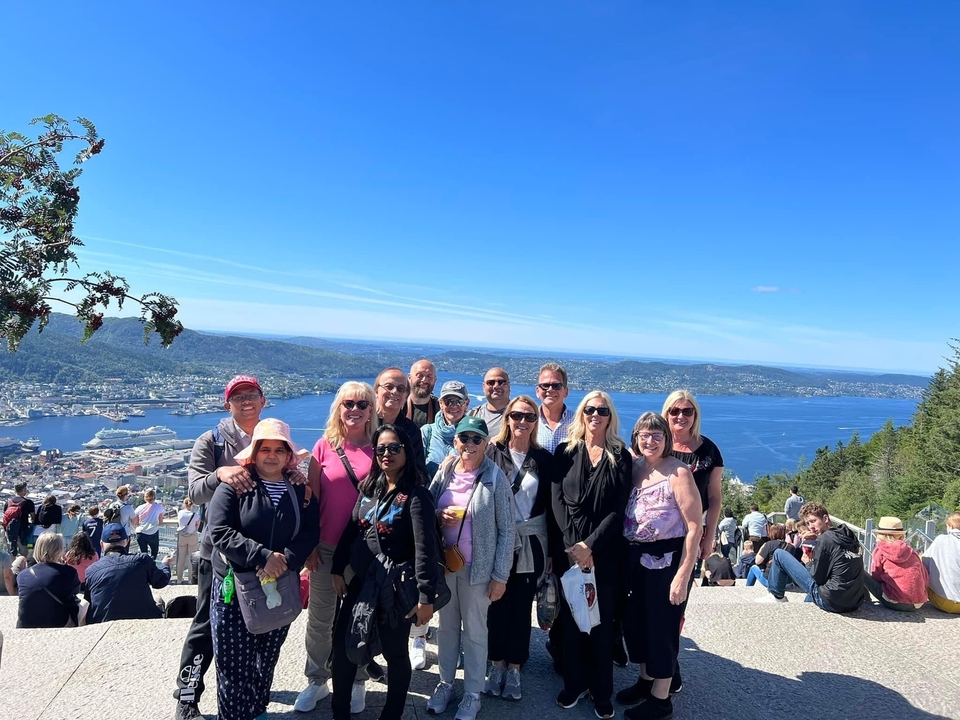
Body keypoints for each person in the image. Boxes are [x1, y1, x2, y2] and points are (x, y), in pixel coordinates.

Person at [207, 418, 319, 720]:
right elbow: (219, 531)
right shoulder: (235, 486)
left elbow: (310, 531)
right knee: (233, 664)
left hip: (280, 584)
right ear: (253, 453)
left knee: (266, 658)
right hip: (236, 587)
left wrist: (285, 560)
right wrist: (262, 556)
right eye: (264, 449)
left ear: (288, 456)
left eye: (279, 450)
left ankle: (257, 711)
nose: (271, 456)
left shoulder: (298, 489)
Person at [330, 424, 441, 720]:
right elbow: (351, 531)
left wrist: (426, 597)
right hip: (361, 584)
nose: (386, 454)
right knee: (343, 648)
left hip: (394, 589)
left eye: (394, 448)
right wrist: (338, 568)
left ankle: (391, 715)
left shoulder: (417, 496)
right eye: (380, 449)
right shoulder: (370, 488)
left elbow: (425, 549)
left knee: (394, 653)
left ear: (407, 451)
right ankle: (339, 712)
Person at [174, 374, 268, 720]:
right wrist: (220, 475)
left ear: (263, 400)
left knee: (260, 624)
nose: (246, 401)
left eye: (252, 395)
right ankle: (187, 694)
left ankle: (250, 692)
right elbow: (195, 491)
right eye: (238, 396)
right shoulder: (211, 441)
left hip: (261, 554)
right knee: (205, 626)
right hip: (218, 554)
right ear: (226, 404)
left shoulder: (270, 437)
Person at [297, 381, 378, 714]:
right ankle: (317, 679)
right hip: (327, 548)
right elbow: (311, 501)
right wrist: (309, 547)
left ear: (371, 410)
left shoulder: (381, 447)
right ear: (338, 408)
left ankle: (358, 679)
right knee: (320, 619)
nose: (355, 410)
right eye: (348, 404)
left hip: (366, 550)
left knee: (361, 618)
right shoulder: (324, 446)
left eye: (362, 404)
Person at [426, 417, 515, 720]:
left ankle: (473, 694)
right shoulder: (446, 470)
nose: (470, 444)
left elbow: (507, 530)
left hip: (478, 570)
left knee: (475, 632)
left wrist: (500, 576)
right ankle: (446, 683)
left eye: (477, 439)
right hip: (446, 567)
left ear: (486, 445)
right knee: (447, 629)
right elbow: (426, 509)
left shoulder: (495, 477)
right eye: (465, 438)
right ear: (456, 442)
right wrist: (439, 516)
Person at [552, 391, 632, 720]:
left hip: (605, 553)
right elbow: (556, 500)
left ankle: (601, 691)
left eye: (602, 410)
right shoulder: (564, 452)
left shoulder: (620, 456)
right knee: (571, 623)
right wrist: (575, 547)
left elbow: (619, 508)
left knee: (600, 624)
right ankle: (574, 683)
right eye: (589, 409)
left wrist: (591, 546)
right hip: (569, 552)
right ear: (581, 414)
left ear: (610, 416)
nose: (595, 415)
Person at [616, 412, 702, 720]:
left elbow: (695, 526)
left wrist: (683, 574)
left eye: (656, 435)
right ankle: (645, 680)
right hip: (634, 560)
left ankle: (661, 699)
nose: (649, 441)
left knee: (662, 628)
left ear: (666, 439)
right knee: (636, 623)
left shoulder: (678, 473)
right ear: (636, 438)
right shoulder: (636, 467)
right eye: (644, 435)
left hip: (666, 563)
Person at [484, 395, 555, 701]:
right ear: (507, 418)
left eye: (529, 417)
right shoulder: (491, 452)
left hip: (530, 542)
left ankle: (515, 666)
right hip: (497, 540)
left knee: (521, 606)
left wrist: (551, 553)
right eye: (516, 416)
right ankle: (496, 662)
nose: (522, 422)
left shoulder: (544, 459)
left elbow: (552, 507)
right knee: (496, 603)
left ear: (536, 421)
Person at [758, 501, 866, 612]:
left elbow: (818, 578)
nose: (811, 527)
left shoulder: (825, 540)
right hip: (854, 602)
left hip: (832, 602)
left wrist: (808, 562)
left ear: (825, 518)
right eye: (808, 523)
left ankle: (776, 596)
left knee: (779, 554)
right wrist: (817, 538)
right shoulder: (847, 535)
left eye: (813, 521)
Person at [662, 391, 722, 573]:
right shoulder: (654, 444)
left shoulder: (709, 451)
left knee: (679, 591)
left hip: (691, 533)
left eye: (688, 411)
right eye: (675, 411)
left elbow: (714, 497)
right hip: (654, 532)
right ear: (666, 414)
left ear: (695, 415)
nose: (681, 416)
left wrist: (709, 535)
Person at [85, 523, 173, 622]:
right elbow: (161, 582)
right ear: (127, 541)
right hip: (143, 619)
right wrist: (165, 564)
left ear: (101, 544)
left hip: (102, 621)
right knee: (158, 600)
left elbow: (89, 600)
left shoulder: (91, 570)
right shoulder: (141, 560)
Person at [16, 532, 80, 628]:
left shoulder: (22, 575)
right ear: (59, 551)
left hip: (25, 624)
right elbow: (75, 592)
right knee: (84, 604)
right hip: (57, 622)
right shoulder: (69, 572)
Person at [864, 517, 928, 611]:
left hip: (895, 602)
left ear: (880, 535)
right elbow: (925, 577)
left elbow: (876, 576)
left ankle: (865, 600)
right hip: (917, 604)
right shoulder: (911, 551)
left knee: (861, 573)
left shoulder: (880, 550)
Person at [375, 367, 427, 473]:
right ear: (376, 391)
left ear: (406, 395)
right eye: (389, 387)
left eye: (401, 388)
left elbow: (419, 471)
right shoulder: (364, 423)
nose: (394, 392)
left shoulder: (411, 431)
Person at [423, 380, 470, 477]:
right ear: (440, 403)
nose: (453, 405)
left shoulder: (473, 436)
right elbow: (416, 468)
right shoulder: (427, 432)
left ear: (467, 404)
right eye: (448, 401)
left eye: (459, 401)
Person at [922, 511, 960, 613]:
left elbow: (925, 563)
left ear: (951, 526)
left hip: (948, 603)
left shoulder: (941, 540)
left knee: (920, 562)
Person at [536, 363, 574, 453]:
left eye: (556, 385)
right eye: (545, 385)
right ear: (537, 391)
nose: (550, 389)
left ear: (566, 391)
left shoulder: (578, 422)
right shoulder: (528, 421)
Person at [469, 368, 511, 438]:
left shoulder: (520, 415)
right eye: (491, 383)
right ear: (483, 387)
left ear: (509, 386)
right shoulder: (472, 415)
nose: (496, 386)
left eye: (501, 382)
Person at [3, 481, 35, 557]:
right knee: (24, 553)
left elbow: (5, 515)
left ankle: (11, 567)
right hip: (22, 531)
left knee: (11, 552)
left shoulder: (8, 502)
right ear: (24, 490)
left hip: (9, 531)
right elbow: (33, 517)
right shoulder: (28, 502)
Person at [406, 359, 440, 428]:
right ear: (409, 378)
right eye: (419, 375)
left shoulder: (441, 409)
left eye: (429, 376)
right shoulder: (398, 405)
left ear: (435, 380)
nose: (424, 380)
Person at [134, 487, 165, 559]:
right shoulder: (159, 507)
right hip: (153, 532)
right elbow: (160, 522)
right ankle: (151, 568)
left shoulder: (140, 508)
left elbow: (136, 522)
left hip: (141, 532)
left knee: (143, 555)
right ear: (154, 497)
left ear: (145, 497)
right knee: (154, 553)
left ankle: (144, 569)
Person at [176, 498, 201, 583]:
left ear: (184, 504)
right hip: (192, 536)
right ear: (192, 505)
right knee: (192, 558)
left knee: (181, 558)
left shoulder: (180, 513)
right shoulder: (196, 515)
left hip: (182, 536)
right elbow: (197, 526)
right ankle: (190, 579)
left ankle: (179, 578)